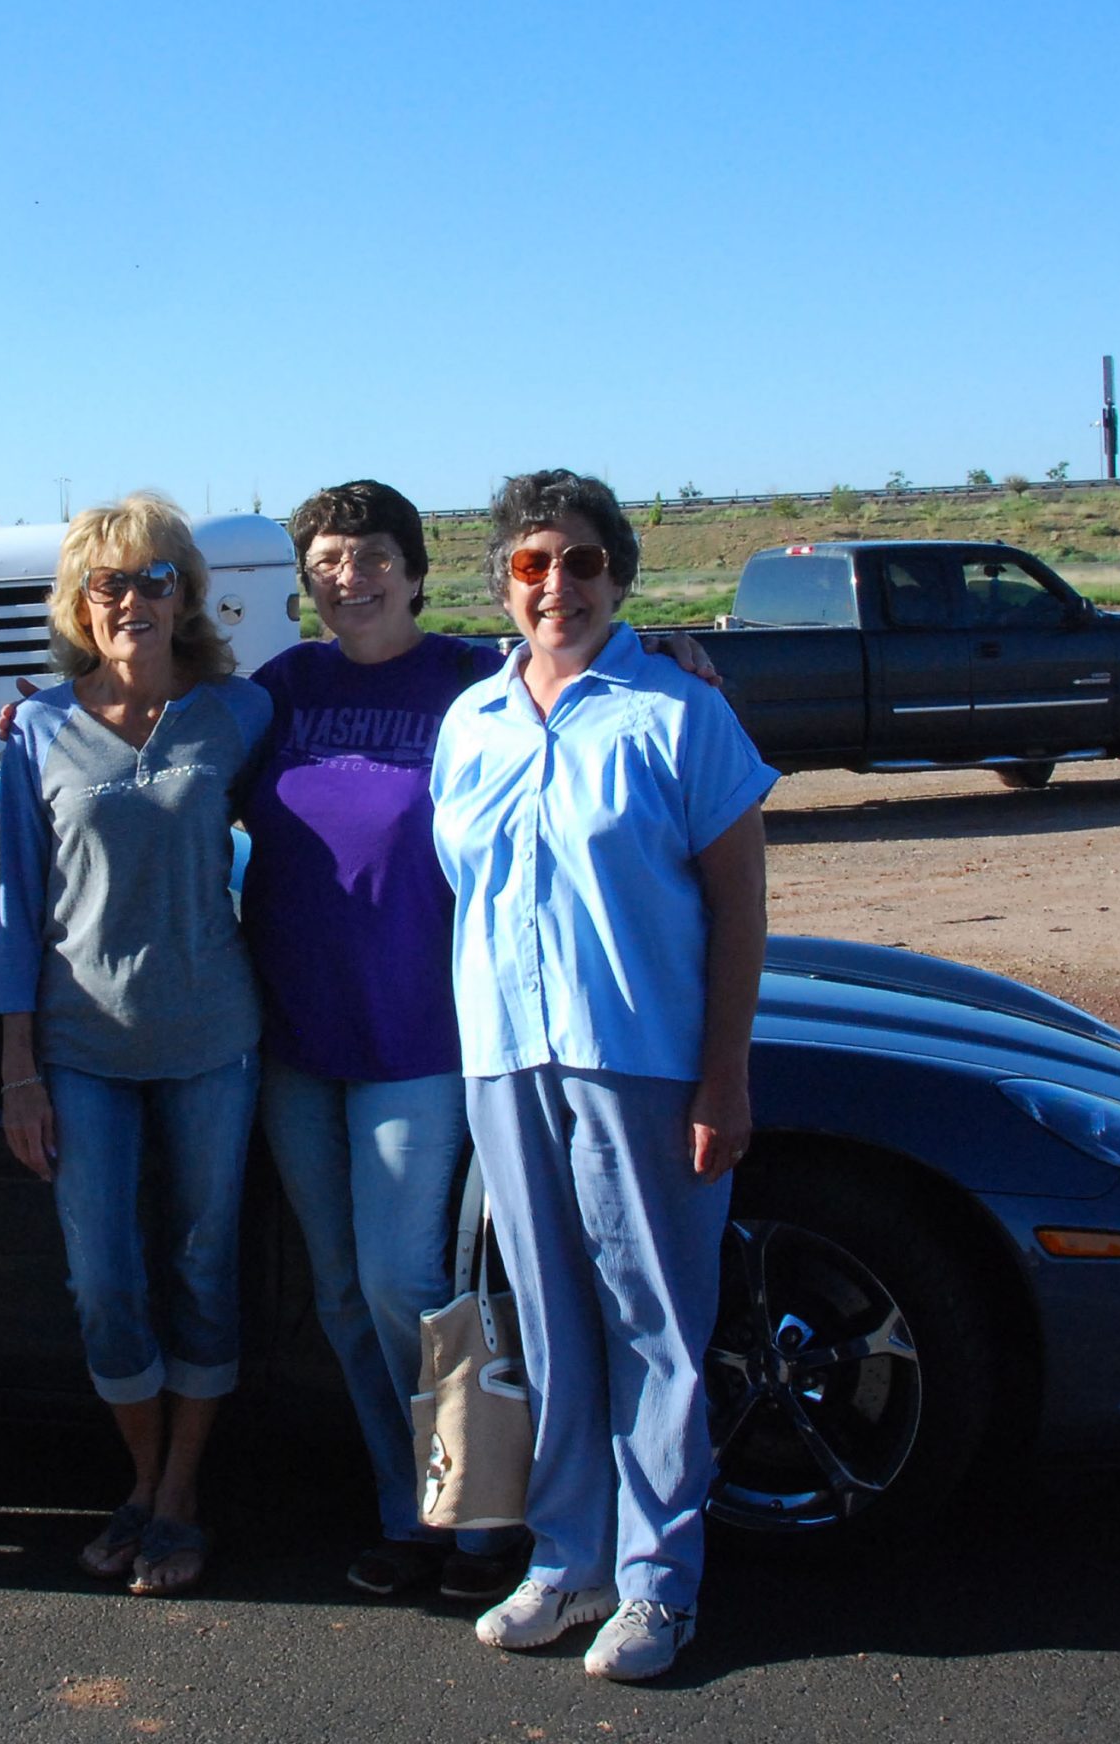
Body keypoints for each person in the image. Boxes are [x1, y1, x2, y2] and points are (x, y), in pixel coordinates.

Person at [241, 479, 719, 1604]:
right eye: (327, 561)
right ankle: (409, 1510)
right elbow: (169, 747)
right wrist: (43, 711)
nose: (350, 577)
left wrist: (676, 646)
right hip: (297, 1035)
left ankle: (484, 1512)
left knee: (405, 1281)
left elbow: (578, 658)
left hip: (423, 1034)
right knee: (340, 1293)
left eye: (372, 556)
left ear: (414, 572)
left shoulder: (470, 677)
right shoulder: (282, 688)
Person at [429, 470, 772, 1681]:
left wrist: (722, 1075)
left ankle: (656, 1584)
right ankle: (567, 1557)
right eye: (532, 563)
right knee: (551, 1315)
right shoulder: (470, 721)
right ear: (503, 584)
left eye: (580, 560)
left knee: (656, 1323)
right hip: (505, 1056)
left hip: (640, 1059)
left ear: (618, 574)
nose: (556, 585)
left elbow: (739, 905)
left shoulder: (678, 710)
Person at [0, 493, 272, 1599]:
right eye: (109, 582)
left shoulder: (239, 711)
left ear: (185, 593)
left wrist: (662, 652)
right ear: (79, 601)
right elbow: (20, 909)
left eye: (156, 578)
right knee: (104, 1278)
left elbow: (382, 689)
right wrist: (18, 1067)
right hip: (80, 1046)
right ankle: (144, 1476)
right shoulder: (36, 729)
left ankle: (178, 1493)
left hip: (213, 1035)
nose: (133, 600)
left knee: (203, 1265)